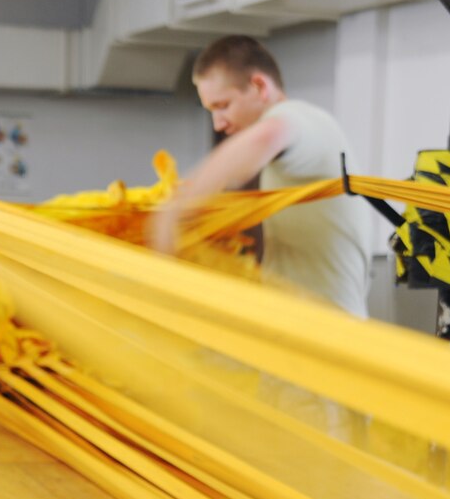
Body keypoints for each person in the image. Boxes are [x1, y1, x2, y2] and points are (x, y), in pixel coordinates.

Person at [151, 35, 373, 318]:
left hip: (327, 335)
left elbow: (269, 135)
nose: (218, 123)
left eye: (223, 106)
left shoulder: (299, 117)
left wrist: (175, 213)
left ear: (259, 86)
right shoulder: (289, 157)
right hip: (300, 328)